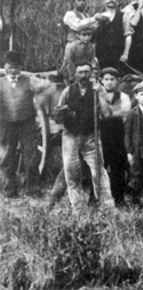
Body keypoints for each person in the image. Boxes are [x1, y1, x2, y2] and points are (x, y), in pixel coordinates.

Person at [53, 62, 115, 211]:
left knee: (98, 173)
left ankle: (107, 207)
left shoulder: (97, 91)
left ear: (92, 74)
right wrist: (63, 113)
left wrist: (100, 93)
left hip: (91, 136)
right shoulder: (67, 92)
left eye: (87, 72)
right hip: (71, 136)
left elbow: (107, 114)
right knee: (71, 173)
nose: (83, 76)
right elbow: (57, 116)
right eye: (80, 72)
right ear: (75, 74)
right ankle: (78, 210)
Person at [0, 51, 51, 197]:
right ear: (5, 67)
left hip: (27, 123)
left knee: (31, 156)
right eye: (10, 67)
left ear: (20, 68)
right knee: (7, 157)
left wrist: (32, 77)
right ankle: (9, 189)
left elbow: (48, 86)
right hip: (6, 124)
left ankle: (33, 189)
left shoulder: (28, 80)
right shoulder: (0, 82)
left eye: (16, 67)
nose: (13, 70)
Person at [97, 67, 131, 206]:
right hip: (101, 134)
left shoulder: (123, 97)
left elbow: (124, 113)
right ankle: (99, 197)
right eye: (106, 79)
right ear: (101, 81)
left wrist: (109, 114)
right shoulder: (96, 96)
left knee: (118, 166)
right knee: (101, 165)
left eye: (112, 79)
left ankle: (119, 197)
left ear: (117, 81)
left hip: (117, 135)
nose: (109, 82)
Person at [94, 0, 126, 71]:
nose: (111, 0)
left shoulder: (123, 16)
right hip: (102, 54)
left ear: (117, 1)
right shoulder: (97, 17)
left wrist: (125, 53)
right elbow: (93, 38)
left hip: (119, 53)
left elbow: (128, 35)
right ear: (103, 1)